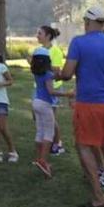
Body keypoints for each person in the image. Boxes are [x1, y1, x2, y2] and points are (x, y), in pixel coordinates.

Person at [58, 6, 104, 207]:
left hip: (89, 103)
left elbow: (67, 73)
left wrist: (57, 74)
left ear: (87, 22)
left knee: (84, 145)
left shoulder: (78, 42)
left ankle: (99, 197)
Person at [30, 48, 74, 178]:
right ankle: (43, 161)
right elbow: (51, 91)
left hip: (36, 102)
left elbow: (55, 76)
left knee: (40, 131)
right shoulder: (47, 74)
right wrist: (67, 94)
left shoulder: (38, 73)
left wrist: (60, 73)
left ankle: (38, 159)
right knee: (49, 133)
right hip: (45, 104)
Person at [35, 25, 68, 155]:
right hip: (39, 86)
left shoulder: (56, 51)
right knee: (38, 116)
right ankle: (46, 141)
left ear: (48, 36)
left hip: (53, 85)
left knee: (51, 118)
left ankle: (57, 143)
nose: (37, 36)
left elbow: (57, 70)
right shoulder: (38, 50)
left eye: (39, 33)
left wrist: (39, 66)